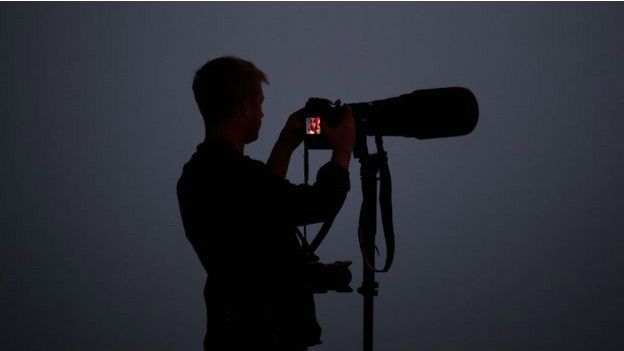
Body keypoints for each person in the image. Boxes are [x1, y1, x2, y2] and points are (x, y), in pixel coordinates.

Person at [177, 56, 355, 351]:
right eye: (259, 103)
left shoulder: (198, 174)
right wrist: (343, 149)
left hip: (229, 331)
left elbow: (260, 211)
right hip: (266, 336)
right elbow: (318, 204)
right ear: (245, 106)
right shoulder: (236, 175)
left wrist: (285, 144)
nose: (261, 113)